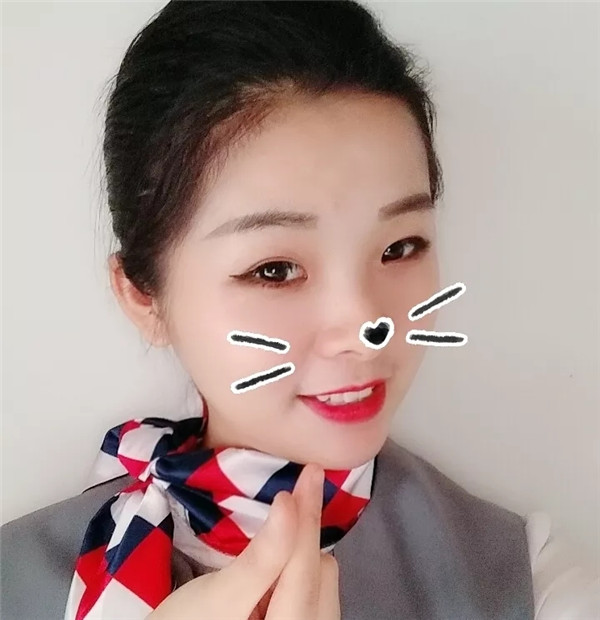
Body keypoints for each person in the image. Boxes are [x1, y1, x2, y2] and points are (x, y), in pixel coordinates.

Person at [1, 1, 598, 619]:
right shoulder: (13, 577)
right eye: (276, 270)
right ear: (143, 296)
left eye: (400, 247)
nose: (364, 329)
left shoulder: (526, 581)